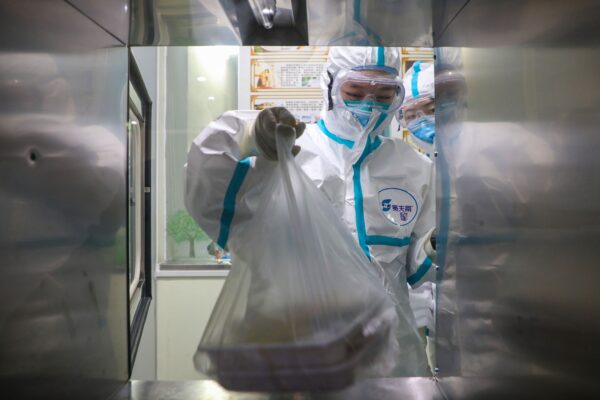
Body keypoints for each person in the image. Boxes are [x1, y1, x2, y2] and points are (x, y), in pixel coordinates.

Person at [185, 47, 436, 376]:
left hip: (389, 356)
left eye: (384, 94)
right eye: (355, 91)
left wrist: (437, 246)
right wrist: (248, 133)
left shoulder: (413, 167)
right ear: (330, 86)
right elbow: (207, 191)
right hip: (293, 352)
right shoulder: (284, 154)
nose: (368, 104)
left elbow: (418, 267)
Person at [400, 61, 436, 158]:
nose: (423, 123)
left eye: (433, 110)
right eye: (411, 116)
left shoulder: (478, 143)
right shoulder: (421, 166)